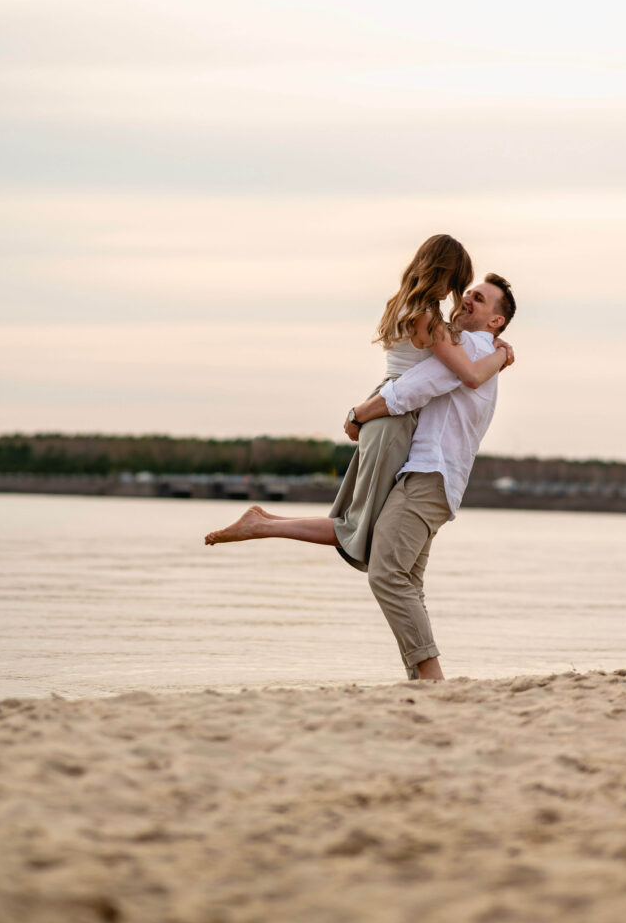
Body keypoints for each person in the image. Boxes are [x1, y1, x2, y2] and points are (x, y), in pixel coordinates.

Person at [205, 272, 517, 682]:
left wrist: (358, 413)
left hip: (430, 475)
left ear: (496, 322)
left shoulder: (475, 347)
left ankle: (431, 676)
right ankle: (423, 678)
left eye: (479, 299)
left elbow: (413, 387)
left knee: (387, 573)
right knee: (405, 578)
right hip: (429, 477)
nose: (467, 301)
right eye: (469, 293)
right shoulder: (482, 351)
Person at [205, 236, 511, 567]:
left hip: (385, 405)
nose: (459, 294)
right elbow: (469, 373)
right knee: (361, 529)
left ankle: (263, 522)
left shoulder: (404, 305)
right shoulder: (431, 319)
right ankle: (261, 525)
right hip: (394, 415)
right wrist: (501, 354)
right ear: (447, 274)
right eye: (459, 283)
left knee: (359, 524)